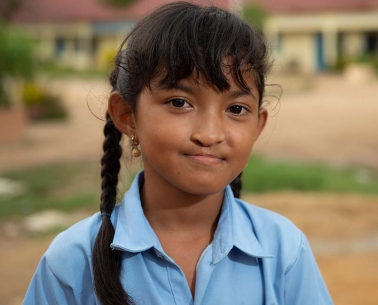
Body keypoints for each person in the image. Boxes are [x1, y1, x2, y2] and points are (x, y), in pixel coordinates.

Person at [23, 2, 333, 305]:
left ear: (257, 126)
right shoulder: (72, 262)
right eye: (179, 102)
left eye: (236, 109)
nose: (210, 134)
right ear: (127, 115)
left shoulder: (284, 251)